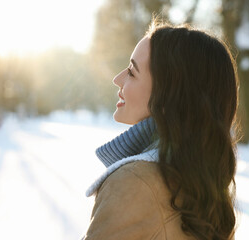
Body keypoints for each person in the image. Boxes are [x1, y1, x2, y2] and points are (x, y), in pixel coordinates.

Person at [83, 19, 239, 240]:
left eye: (132, 72)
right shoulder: (205, 186)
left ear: (169, 98)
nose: (117, 79)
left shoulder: (134, 182)